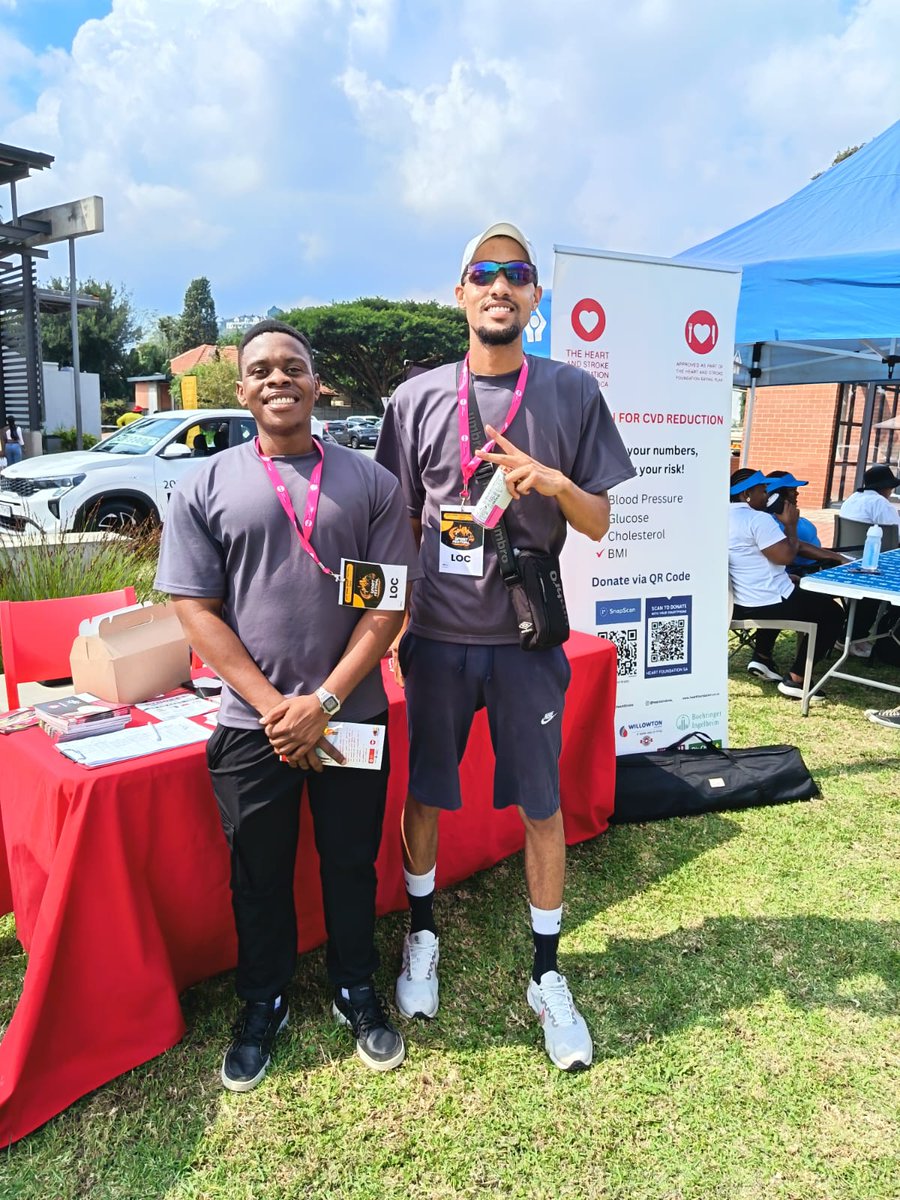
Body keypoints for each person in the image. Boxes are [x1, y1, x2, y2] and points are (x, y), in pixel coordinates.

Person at [375, 221, 635, 1071]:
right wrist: (383, 626)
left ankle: (547, 973)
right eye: (482, 273)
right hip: (438, 642)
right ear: (459, 293)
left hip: (528, 641)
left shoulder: (568, 392)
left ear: (532, 296)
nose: (499, 286)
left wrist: (555, 481)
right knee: (426, 794)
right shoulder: (415, 399)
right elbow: (394, 522)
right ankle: (421, 935)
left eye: (515, 273)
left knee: (542, 805)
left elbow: (599, 520)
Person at [155, 319, 421, 1091]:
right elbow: (195, 608)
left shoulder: (369, 482)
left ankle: (355, 988)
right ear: (241, 390)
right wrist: (279, 707)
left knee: (349, 862)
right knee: (259, 873)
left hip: (353, 717)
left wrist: (327, 702)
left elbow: (386, 607)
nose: (278, 379)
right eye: (262, 370)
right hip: (253, 725)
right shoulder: (205, 485)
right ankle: (261, 1001)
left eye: (293, 367)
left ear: (317, 383)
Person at [729, 468, 843, 698]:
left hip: (736, 602)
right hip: (765, 602)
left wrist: (780, 575)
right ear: (746, 494)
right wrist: (790, 524)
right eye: (762, 490)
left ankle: (762, 659)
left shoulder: (720, 516)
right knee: (833, 613)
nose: (766, 495)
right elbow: (787, 557)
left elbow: (750, 560)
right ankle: (796, 680)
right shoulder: (758, 519)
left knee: (793, 589)